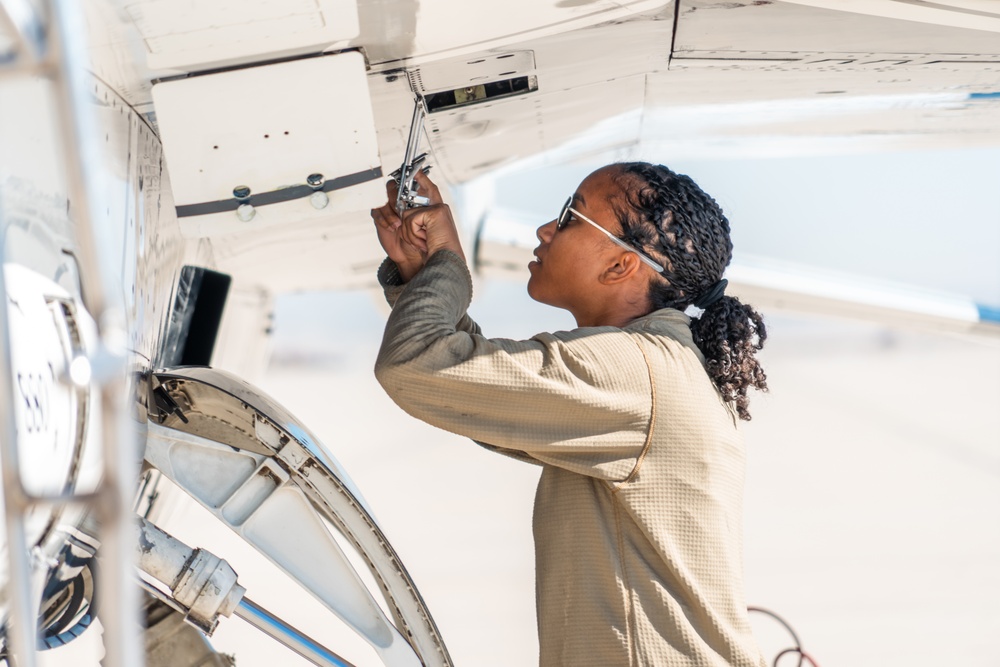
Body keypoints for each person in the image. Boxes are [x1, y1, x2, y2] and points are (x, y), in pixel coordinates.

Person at [370, 162, 768, 666]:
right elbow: (474, 391)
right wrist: (424, 272)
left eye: (570, 217)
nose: (545, 230)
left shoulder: (635, 370)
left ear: (622, 266)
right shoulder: (656, 365)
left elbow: (416, 365)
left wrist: (448, 262)